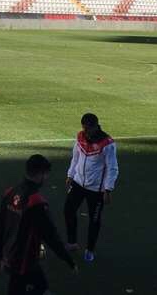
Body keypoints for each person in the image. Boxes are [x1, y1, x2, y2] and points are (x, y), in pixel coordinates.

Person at [0, 154, 77, 294]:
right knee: (33, 288)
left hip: (9, 254)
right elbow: (51, 235)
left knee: (36, 286)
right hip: (24, 261)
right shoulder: (36, 202)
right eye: (46, 174)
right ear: (41, 174)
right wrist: (68, 260)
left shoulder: (10, 192)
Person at [64, 112, 119, 263]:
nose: (86, 132)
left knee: (94, 220)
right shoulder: (80, 136)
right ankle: (72, 242)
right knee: (68, 210)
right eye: (84, 128)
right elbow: (76, 157)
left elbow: (112, 167)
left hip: (96, 189)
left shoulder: (107, 144)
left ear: (95, 126)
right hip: (78, 183)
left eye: (88, 128)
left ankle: (90, 250)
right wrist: (70, 175)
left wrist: (108, 189)